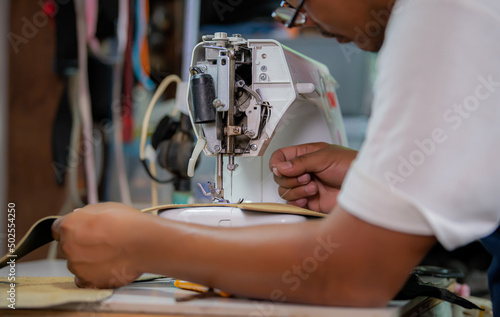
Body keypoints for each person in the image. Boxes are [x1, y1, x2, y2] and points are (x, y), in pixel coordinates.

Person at [52, 0, 500, 309]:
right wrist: (377, 186)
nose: (298, 22)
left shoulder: (437, 14)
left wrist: (142, 244)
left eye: (297, 2)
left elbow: (355, 276)